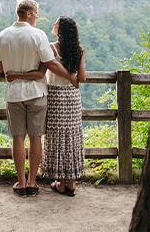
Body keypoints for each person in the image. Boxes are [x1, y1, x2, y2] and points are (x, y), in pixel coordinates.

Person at [0, 0, 76, 196]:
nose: (38, 16)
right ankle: (32, 182)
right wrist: (71, 76)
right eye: (37, 12)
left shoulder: (3, 35)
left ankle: (21, 183)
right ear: (29, 13)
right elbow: (51, 64)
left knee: (18, 138)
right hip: (37, 93)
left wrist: (15, 71)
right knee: (35, 137)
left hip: (14, 93)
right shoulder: (38, 35)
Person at [41, 16, 87, 195]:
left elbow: (49, 68)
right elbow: (82, 78)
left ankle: (60, 183)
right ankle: (72, 182)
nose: (53, 25)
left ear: (60, 31)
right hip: (73, 96)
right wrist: (73, 76)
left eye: (56, 24)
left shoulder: (51, 48)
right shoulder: (79, 50)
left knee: (58, 137)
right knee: (73, 137)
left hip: (55, 95)